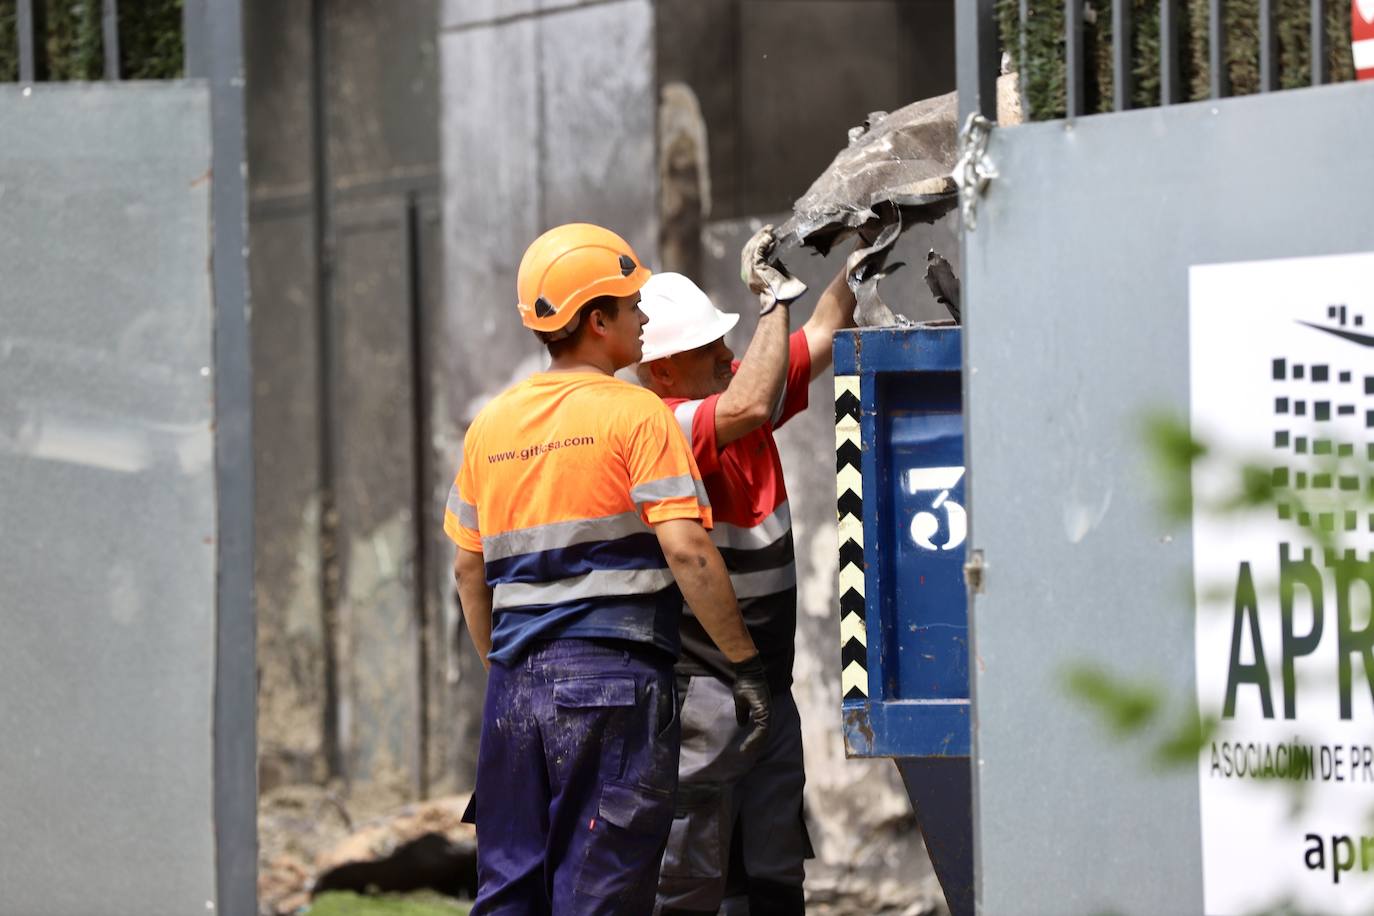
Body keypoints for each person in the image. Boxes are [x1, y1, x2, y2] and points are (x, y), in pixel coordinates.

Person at [443, 223, 773, 916]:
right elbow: (687, 549)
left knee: (509, 889)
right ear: (597, 322)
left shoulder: (490, 426)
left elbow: (468, 575)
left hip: (514, 688)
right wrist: (744, 665)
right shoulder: (636, 415)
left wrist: (505, 667)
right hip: (612, 685)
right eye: (631, 306)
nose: (644, 318)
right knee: (600, 890)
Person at [636, 229, 857, 916]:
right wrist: (771, 300)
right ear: (663, 372)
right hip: (702, 690)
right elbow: (751, 403)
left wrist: (863, 253)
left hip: (767, 684)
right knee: (691, 880)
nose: (731, 357)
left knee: (771, 875)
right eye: (711, 349)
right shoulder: (665, 425)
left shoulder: (734, 394)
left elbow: (823, 330)